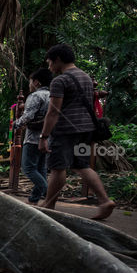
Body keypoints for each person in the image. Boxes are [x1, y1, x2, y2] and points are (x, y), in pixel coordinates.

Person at [37, 44, 115, 220]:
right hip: (86, 130)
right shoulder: (85, 77)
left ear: (57, 60)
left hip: (66, 130)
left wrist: (44, 136)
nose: (49, 67)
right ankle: (104, 201)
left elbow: (54, 111)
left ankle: (49, 205)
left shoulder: (60, 80)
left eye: (49, 63)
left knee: (58, 167)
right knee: (82, 165)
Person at [12, 68, 52, 204]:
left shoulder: (36, 96)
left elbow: (28, 116)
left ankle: (47, 190)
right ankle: (34, 198)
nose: (29, 85)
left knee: (28, 168)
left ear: (36, 82)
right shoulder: (52, 95)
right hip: (47, 138)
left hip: (33, 138)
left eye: (30, 82)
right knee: (41, 169)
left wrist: (16, 124)